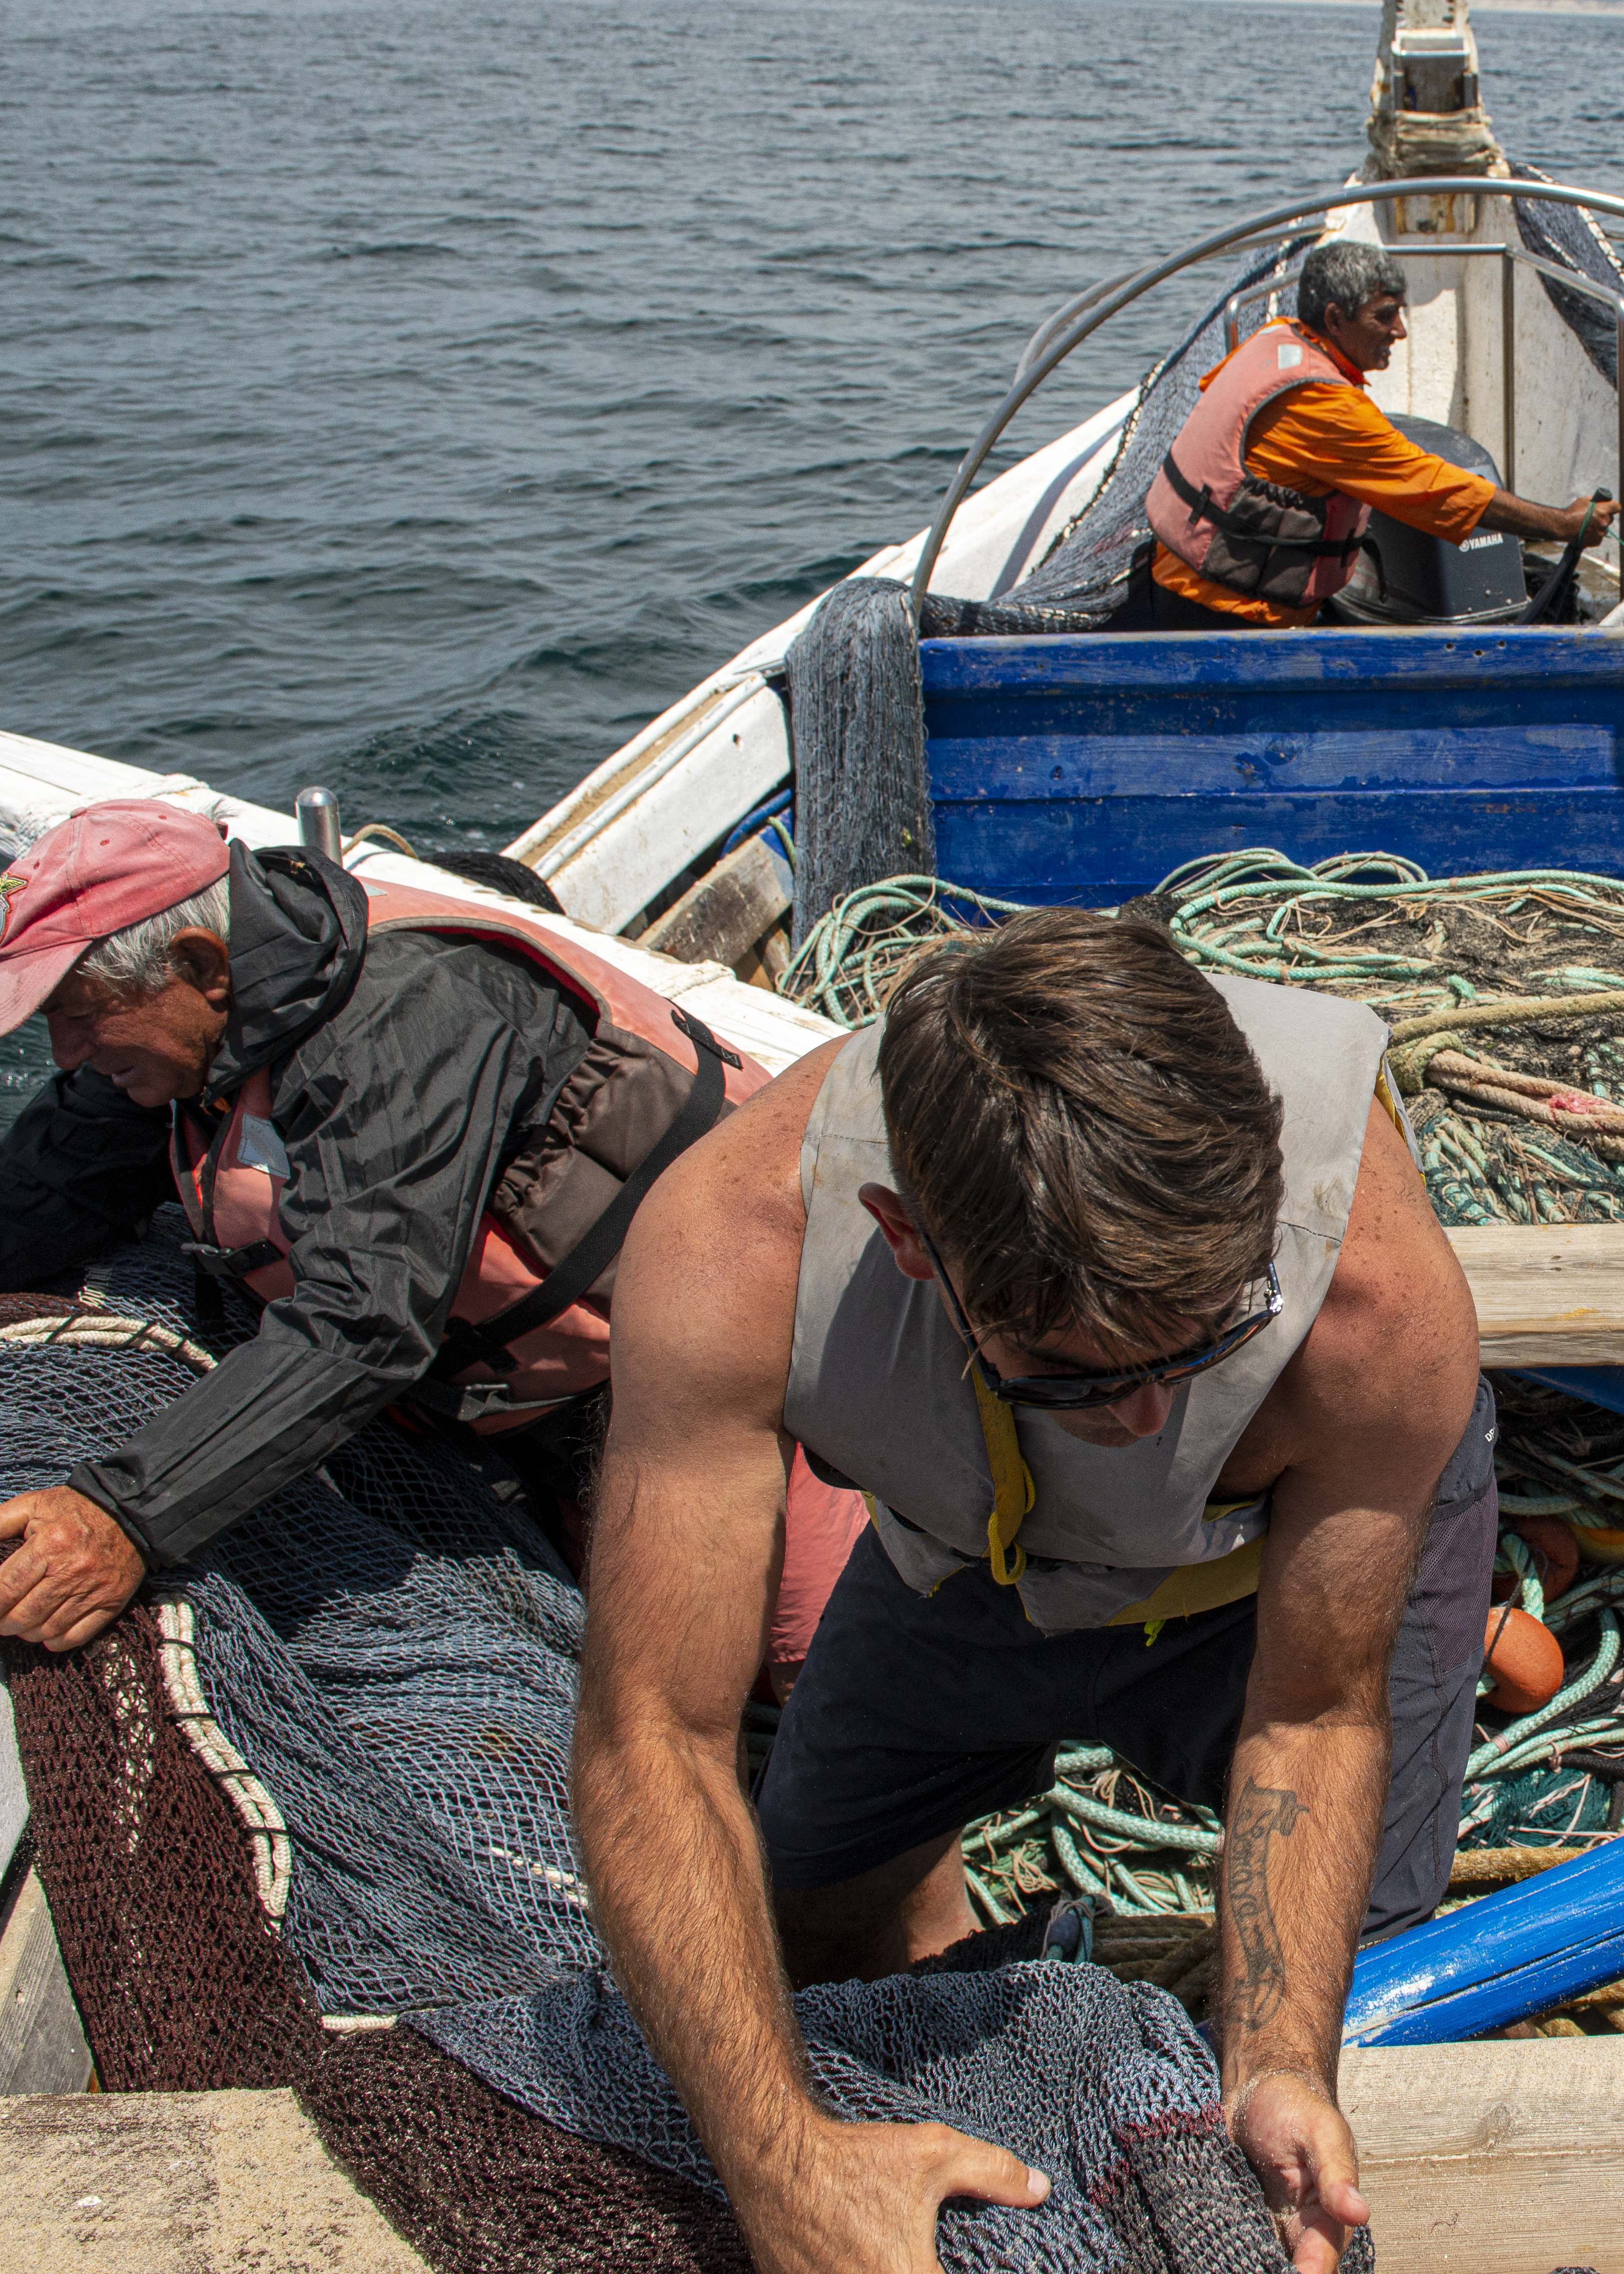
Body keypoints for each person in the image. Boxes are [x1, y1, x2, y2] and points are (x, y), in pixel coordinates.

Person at [572, 910, 1491, 2274]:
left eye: (1209, 1343)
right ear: (906, 1240)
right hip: (966, 1555)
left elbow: (1315, 1716)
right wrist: (781, 2163)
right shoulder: (733, 1248)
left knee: (1374, 1982)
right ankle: (955, 2003)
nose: (1145, 1417)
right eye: (1076, 1372)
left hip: (1269, 1581)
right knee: (802, 1926)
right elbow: (655, 1733)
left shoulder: (1376, 1303)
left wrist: (1280, 2061)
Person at [0, 798, 782, 1655]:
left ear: (202, 966)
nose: (66, 1054)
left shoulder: (413, 1022)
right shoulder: (172, 1045)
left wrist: (126, 1516)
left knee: (792, 1700)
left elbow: (361, 1327)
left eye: (80, 1013)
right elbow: (13, 1202)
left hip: (738, 1371)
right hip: (511, 1402)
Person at [1113, 236, 1617, 629]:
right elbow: (1433, 488)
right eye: (1384, 316)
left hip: (1176, 578)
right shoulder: (1325, 407)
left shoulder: (1275, 341)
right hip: (1227, 613)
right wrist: (1560, 524)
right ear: (1335, 319)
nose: (1400, 331)